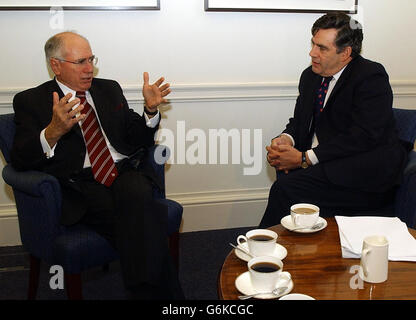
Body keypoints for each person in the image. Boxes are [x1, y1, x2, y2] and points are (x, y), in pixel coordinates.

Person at [11, 31, 184, 299]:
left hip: (122, 172)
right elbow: (19, 160)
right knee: (142, 219)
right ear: (55, 65)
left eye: (91, 59)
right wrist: (52, 131)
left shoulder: (108, 89)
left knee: (136, 190)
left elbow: (137, 140)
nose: (89, 68)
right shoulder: (31, 101)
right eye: (80, 62)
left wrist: (150, 111)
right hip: (79, 185)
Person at [259, 12, 409, 228]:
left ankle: (263, 247)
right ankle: (294, 248)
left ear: (345, 53)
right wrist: (286, 139)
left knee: (286, 188)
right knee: (285, 172)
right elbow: (300, 120)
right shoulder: (310, 76)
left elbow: (363, 137)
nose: (312, 53)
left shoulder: (370, 76)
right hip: (328, 164)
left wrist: (305, 158)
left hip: (363, 175)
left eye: (322, 48)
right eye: (313, 44)